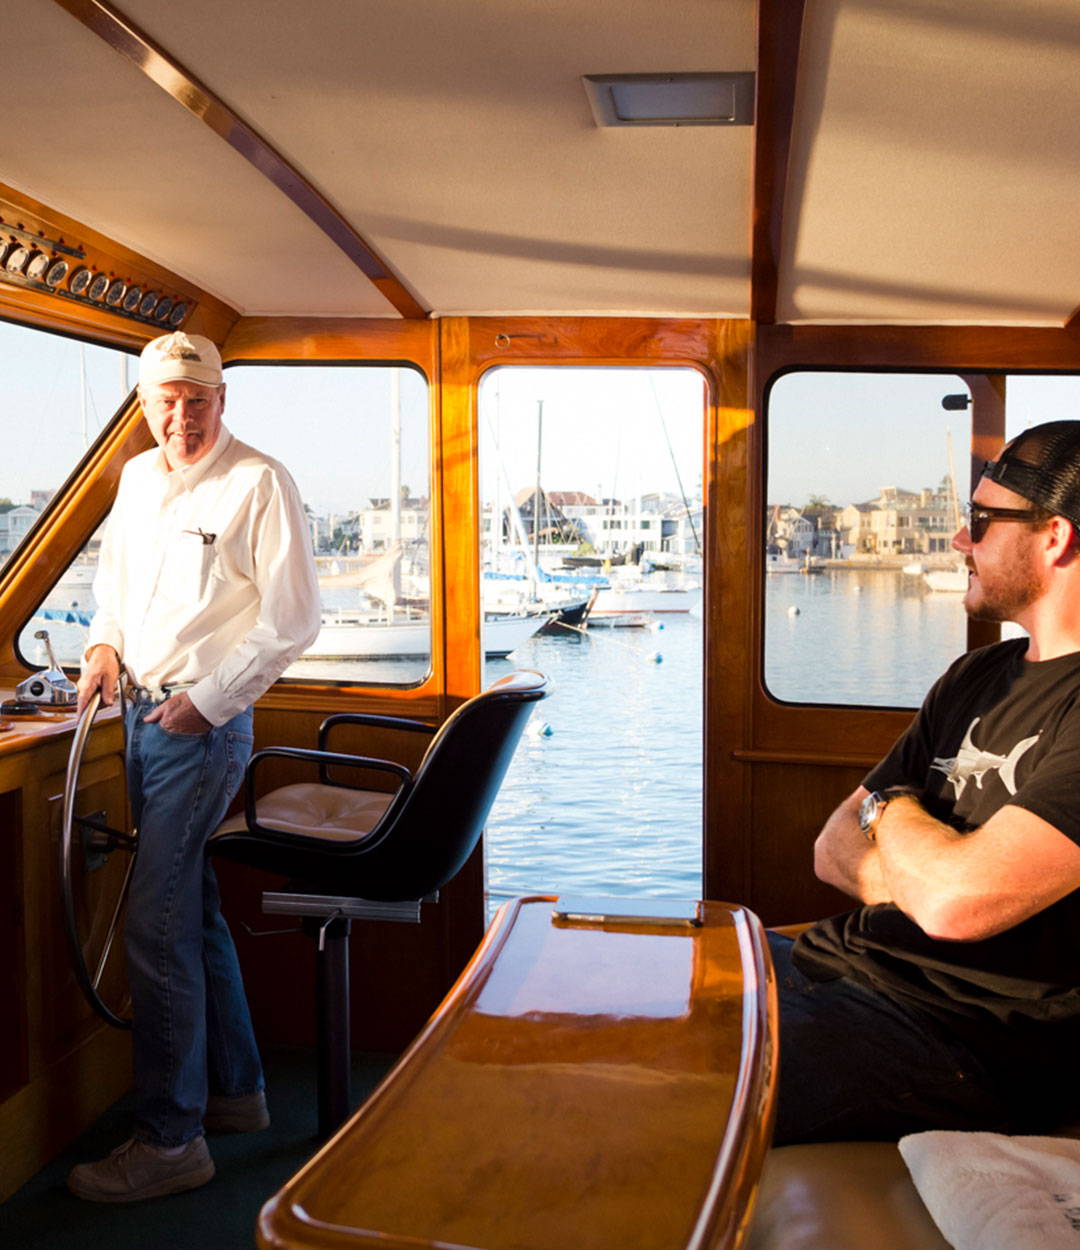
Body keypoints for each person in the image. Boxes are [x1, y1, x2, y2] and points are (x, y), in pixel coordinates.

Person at [769, 419, 1080, 1146]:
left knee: (650, 1079)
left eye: (980, 520)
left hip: (961, 1040)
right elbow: (830, 849)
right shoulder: (977, 676)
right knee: (617, 990)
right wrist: (923, 869)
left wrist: (890, 804)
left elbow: (952, 904)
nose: (959, 541)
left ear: (1055, 537)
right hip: (839, 964)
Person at [68, 331, 321, 1201]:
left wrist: (208, 700)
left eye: (197, 400)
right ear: (146, 407)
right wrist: (103, 646)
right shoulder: (138, 479)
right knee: (192, 907)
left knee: (154, 924)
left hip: (200, 727)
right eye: (166, 402)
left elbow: (292, 620)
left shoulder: (260, 481)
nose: (181, 417)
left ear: (223, 401)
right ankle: (237, 1092)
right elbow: (115, 587)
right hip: (137, 711)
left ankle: (172, 1139)